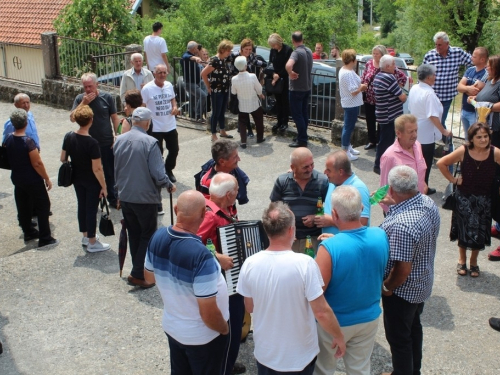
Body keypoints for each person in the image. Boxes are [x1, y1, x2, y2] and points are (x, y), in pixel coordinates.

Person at [236, 201, 346, 374]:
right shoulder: (305, 264)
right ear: (290, 230)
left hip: (266, 353)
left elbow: (249, 307)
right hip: (299, 356)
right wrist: (338, 335)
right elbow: (321, 312)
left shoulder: (249, 263)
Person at [144, 190, 229, 374]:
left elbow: (149, 277)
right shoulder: (201, 256)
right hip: (202, 338)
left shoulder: (157, 237)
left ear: (176, 210)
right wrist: (224, 328)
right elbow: (208, 313)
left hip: (173, 328)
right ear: (203, 214)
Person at [314, 186, 389, 375]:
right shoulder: (380, 235)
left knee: (324, 368)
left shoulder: (329, 248)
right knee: (360, 369)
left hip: (336, 321)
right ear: (361, 207)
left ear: (334, 214)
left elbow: (317, 291)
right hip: (368, 318)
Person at [379, 166, 440, 375]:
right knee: (413, 329)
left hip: (402, 292)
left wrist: (387, 287)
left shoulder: (403, 225)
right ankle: (414, 371)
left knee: (399, 340)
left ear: (392, 190)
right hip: (422, 284)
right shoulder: (428, 203)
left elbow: (402, 269)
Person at [114, 107, 175, 288]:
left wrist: (118, 192)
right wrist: (168, 184)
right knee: (148, 234)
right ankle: (138, 273)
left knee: (134, 233)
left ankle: (138, 268)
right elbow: (158, 173)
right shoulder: (150, 142)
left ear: (133, 121)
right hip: (145, 197)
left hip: (126, 195)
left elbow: (116, 169)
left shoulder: (119, 140)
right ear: (148, 123)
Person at [196, 173, 246, 375]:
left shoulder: (228, 208)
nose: (238, 193)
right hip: (221, 279)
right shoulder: (209, 215)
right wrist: (217, 257)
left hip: (232, 276)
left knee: (235, 324)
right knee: (231, 327)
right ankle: (224, 367)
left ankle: (228, 363)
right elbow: (192, 243)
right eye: (236, 191)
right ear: (227, 195)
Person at [436, 123, 500, 277]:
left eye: (486, 136)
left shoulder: (495, 152)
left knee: (480, 231)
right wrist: (454, 180)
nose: (483, 139)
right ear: (471, 138)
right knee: (463, 230)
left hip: (485, 199)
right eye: (479, 137)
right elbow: (441, 163)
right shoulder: (463, 150)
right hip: (464, 198)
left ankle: (473, 262)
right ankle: (462, 260)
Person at [3, 109, 57, 248]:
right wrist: (46, 178)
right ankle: (45, 237)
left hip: (17, 177)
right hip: (32, 179)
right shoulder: (28, 142)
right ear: (26, 123)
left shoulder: (8, 138)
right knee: (43, 206)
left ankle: (28, 231)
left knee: (23, 205)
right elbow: (37, 163)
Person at [61, 105, 109, 252]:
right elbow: (97, 168)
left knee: (82, 206)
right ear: (91, 120)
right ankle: (93, 242)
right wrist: (104, 186)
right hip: (91, 180)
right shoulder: (92, 143)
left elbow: (63, 158)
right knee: (91, 209)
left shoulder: (69, 136)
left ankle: (85, 236)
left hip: (77, 178)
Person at [70, 72, 120, 208]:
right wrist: (83, 103)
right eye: (85, 87)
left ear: (97, 85)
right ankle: (95, 199)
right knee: (92, 173)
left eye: (90, 86)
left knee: (110, 172)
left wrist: (117, 136)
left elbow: (115, 118)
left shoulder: (107, 97)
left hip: (106, 142)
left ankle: (112, 198)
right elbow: (72, 118)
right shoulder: (80, 99)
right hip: (87, 144)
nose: (87, 90)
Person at [469, 55, 500, 260]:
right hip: (490, 132)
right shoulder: (490, 81)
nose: (486, 68)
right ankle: (498, 224)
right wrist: (475, 99)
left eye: (489, 65)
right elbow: (470, 90)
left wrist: (486, 105)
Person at [270, 147, 329, 253]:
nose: (310, 169)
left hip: (314, 239)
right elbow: (273, 210)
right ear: (293, 167)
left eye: (312, 164)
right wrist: (287, 226)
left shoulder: (322, 181)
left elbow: (331, 209)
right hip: (289, 241)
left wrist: (315, 218)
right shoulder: (282, 181)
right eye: (305, 167)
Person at [408, 64, 451, 194]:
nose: (435, 77)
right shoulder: (429, 93)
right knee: (424, 163)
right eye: (434, 75)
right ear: (428, 77)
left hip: (416, 129)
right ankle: (422, 188)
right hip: (426, 133)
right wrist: (444, 131)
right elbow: (432, 115)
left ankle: (416, 187)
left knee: (416, 161)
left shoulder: (415, 87)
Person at [423, 31, 472, 131]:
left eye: (440, 45)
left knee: (440, 121)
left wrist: (468, 78)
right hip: (432, 95)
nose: (437, 47)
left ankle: (447, 142)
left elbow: (472, 62)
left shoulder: (457, 52)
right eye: (436, 44)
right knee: (431, 120)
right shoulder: (430, 55)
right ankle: (443, 141)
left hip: (447, 95)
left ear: (447, 43)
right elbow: (422, 75)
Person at [361, 45, 407, 151]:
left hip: (383, 99)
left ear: (382, 55)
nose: (375, 55)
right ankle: (372, 140)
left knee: (382, 122)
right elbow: (363, 76)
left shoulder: (388, 65)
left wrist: (396, 89)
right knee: (370, 120)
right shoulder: (369, 63)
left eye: (377, 54)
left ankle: (380, 143)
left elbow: (403, 78)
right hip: (369, 97)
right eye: (374, 53)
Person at [314, 150, 370, 235]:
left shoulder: (358, 188)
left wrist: (331, 221)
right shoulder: (333, 182)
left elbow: (362, 223)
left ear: (340, 172)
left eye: (329, 170)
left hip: (347, 246)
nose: (325, 172)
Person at [380, 114, 428, 213]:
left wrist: (423, 185)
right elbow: (384, 187)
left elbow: (420, 170)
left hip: (419, 205)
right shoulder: (389, 156)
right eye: (410, 132)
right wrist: (392, 207)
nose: (415, 135)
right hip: (400, 211)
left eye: (416, 130)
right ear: (399, 133)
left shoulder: (417, 146)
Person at [141, 64, 180, 183]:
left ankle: (168, 169)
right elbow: (143, 106)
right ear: (154, 74)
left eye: (164, 73)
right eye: (160, 73)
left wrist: (174, 107)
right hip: (155, 126)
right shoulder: (147, 89)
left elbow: (172, 99)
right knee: (157, 152)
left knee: (174, 149)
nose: (162, 75)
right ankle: (159, 173)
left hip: (170, 124)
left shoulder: (169, 85)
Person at [373, 54, 407, 174]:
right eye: (393, 64)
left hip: (383, 113)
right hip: (389, 115)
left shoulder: (378, 76)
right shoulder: (389, 77)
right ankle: (379, 165)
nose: (395, 66)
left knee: (384, 140)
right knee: (386, 142)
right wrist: (406, 92)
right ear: (387, 66)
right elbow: (402, 97)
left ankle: (381, 164)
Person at [195, 139, 250, 206]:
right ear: (222, 162)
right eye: (235, 157)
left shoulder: (231, 169)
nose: (239, 159)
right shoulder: (208, 183)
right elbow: (206, 209)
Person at [201, 39, 235, 142]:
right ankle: (213, 134)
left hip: (224, 89)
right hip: (217, 90)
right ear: (223, 49)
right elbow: (203, 74)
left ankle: (222, 130)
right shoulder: (214, 60)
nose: (229, 52)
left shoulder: (224, 59)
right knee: (215, 112)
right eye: (228, 50)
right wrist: (208, 86)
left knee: (222, 111)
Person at [338, 48, 367, 161]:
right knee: (348, 127)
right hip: (351, 103)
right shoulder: (348, 73)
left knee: (348, 126)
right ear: (353, 60)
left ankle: (348, 146)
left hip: (349, 102)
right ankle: (345, 151)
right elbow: (353, 91)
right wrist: (362, 88)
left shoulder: (344, 70)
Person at [286, 31, 313, 148]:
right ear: (302, 39)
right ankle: (302, 135)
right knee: (303, 113)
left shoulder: (296, 53)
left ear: (293, 40)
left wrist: (290, 73)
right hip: (307, 87)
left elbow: (288, 65)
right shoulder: (309, 51)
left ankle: (302, 139)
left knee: (297, 115)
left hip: (297, 88)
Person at [231, 56, 265, 148]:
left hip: (242, 104)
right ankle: (260, 137)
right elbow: (259, 89)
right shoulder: (252, 76)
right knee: (258, 120)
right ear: (246, 65)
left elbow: (233, 92)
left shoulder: (234, 79)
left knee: (242, 122)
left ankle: (243, 141)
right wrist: (260, 94)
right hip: (254, 102)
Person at [457, 47, 489, 140]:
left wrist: (465, 88)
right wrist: (468, 88)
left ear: (482, 59)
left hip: (476, 112)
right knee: (467, 138)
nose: (471, 58)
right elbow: (459, 87)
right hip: (465, 110)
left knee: (475, 138)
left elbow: (477, 91)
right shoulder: (470, 70)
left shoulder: (487, 73)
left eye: (474, 56)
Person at [268, 33, 293, 134]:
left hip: (284, 78)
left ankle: (285, 122)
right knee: (278, 101)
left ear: (279, 42)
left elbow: (287, 66)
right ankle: (278, 121)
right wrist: (274, 74)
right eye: (272, 46)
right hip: (275, 78)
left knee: (284, 101)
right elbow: (270, 64)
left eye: (274, 45)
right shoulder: (272, 51)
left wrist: (279, 75)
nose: (273, 47)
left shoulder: (288, 50)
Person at [181, 41, 208, 123]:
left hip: (196, 82)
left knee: (193, 99)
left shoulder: (192, 55)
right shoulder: (186, 55)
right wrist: (195, 58)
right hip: (190, 83)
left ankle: (193, 116)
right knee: (203, 96)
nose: (197, 49)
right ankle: (198, 116)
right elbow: (186, 57)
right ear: (193, 49)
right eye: (196, 48)